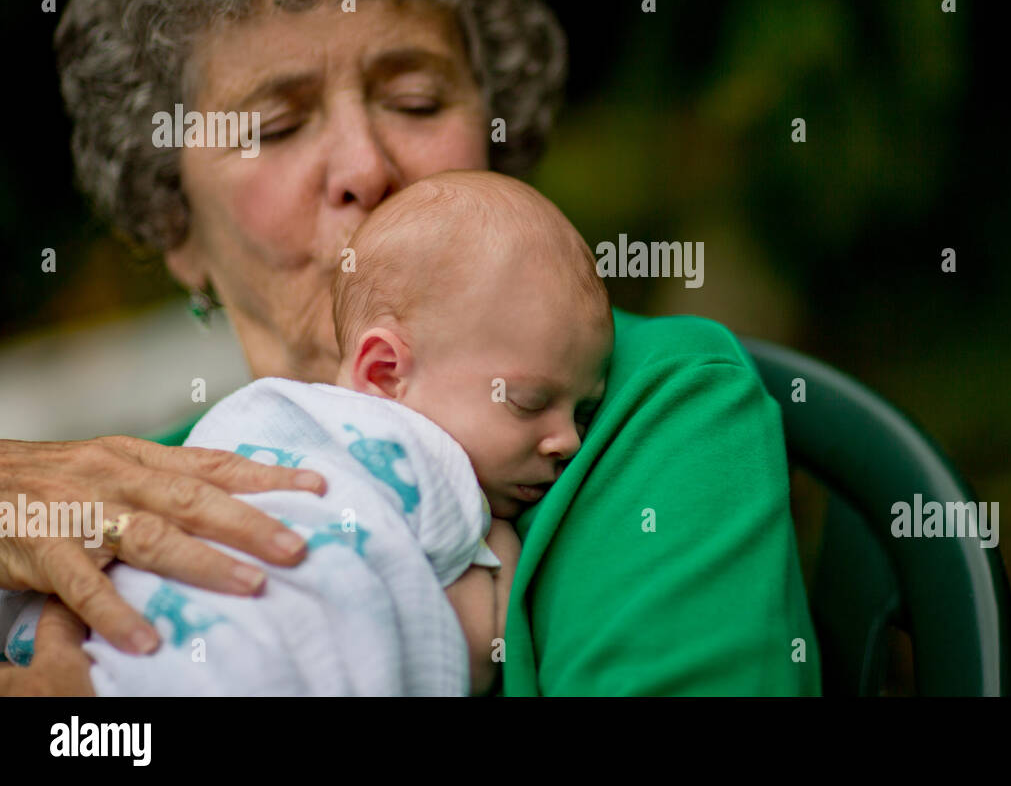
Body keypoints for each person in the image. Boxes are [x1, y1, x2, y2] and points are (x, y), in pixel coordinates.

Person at [0, 0, 819, 695]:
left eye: (415, 99)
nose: (364, 166)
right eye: (275, 125)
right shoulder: (132, 491)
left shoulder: (644, 418)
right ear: (175, 221)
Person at [6, 171, 606, 695]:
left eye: (583, 413)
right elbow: (477, 652)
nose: (570, 442)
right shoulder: (426, 464)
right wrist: (495, 538)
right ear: (386, 372)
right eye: (529, 403)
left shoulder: (244, 421)